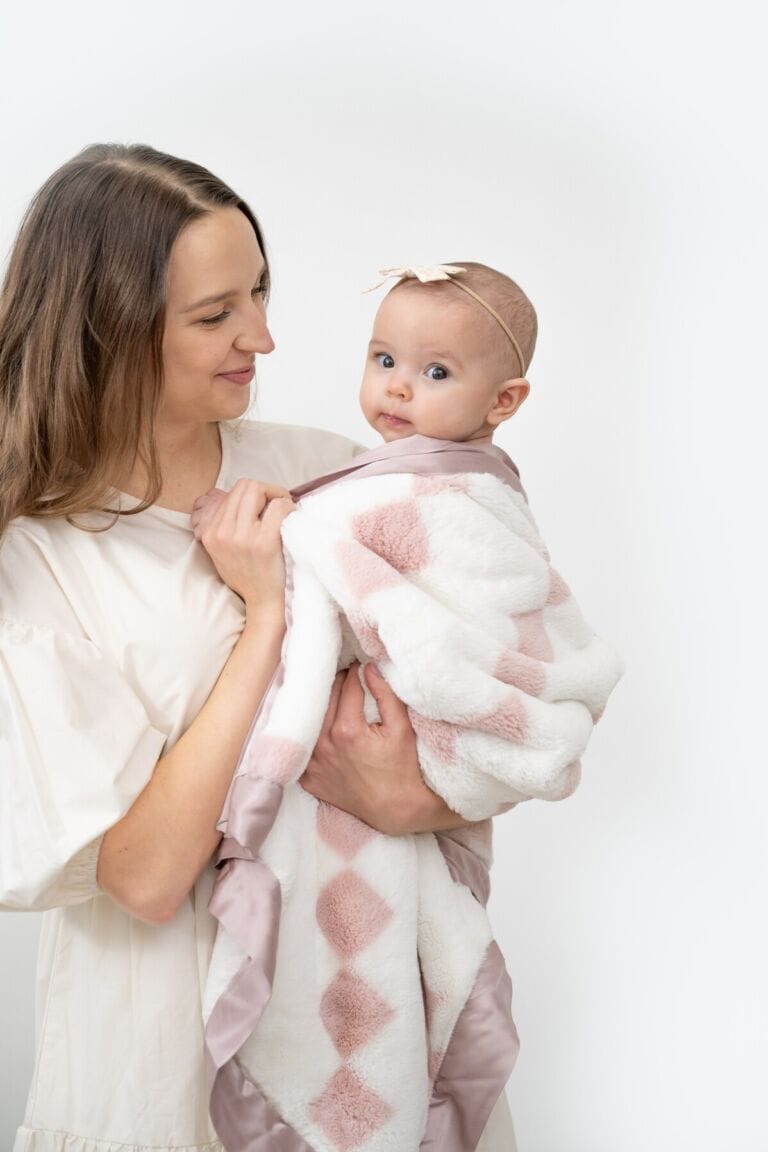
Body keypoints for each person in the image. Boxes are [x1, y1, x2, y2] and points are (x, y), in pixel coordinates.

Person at [0, 145, 517, 1152]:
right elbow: (145, 877)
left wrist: (419, 796)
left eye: (260, 293)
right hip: (165, 1051)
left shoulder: (330, 473)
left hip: (360, 1017)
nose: (264, 337)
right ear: (108, 328)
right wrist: (266, 615)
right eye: (215, 315)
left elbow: (475, 698)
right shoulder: (36, 559)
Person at [195, 265, 622, 1149]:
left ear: (505, 400)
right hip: (357, 786)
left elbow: (487, 629)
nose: (397, 385)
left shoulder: (462, 499)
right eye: (384, 357)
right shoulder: (359, 475)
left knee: (368, 973)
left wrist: (287, 538)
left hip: (396, 771)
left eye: (435, 372)